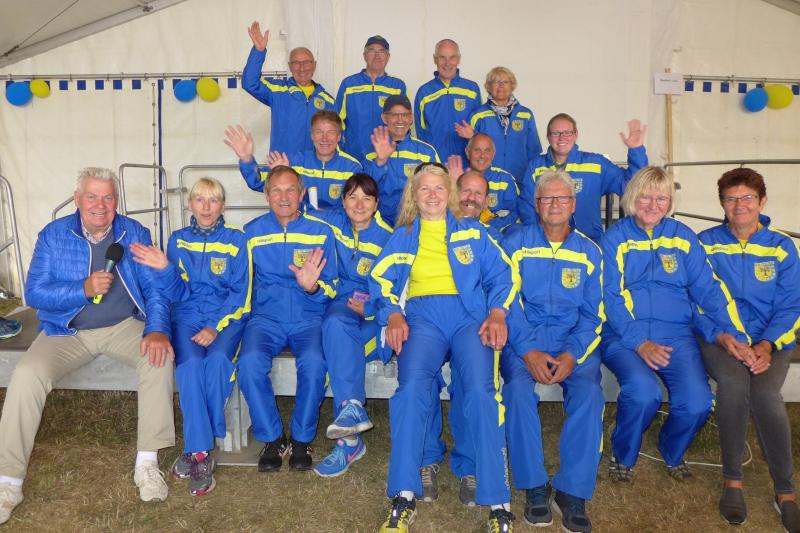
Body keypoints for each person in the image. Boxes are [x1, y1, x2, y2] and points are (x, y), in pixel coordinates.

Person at [0, 168, 175, 524]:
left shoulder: (134, 233)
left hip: (122, 325)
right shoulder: (53, 235)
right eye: (92, 196)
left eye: (108, 197)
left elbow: (155, 289)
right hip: (67, 329)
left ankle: (147, 463)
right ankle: (8, 481)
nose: (100, 205)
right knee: (27, 374)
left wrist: (157, 329)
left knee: (158, 359)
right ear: (78, 199)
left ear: (117, 201)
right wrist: (82, 289)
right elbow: (35, 293)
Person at [370, 164, 516, 532]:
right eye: (425, 188)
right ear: (413, 195)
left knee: (482, 392)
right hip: (424, 318)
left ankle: (498, 502)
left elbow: (505, 274)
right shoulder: (404, 235)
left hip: (470, 318)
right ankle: (404, 495)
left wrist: (497, 312)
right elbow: (380, 279)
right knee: (410, 391)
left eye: (439, 187)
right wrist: (392, 314)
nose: (433, 194)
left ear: (449, 193)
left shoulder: (472, 231)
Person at [601, 166, 751, 483]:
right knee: (643, 393)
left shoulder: (682, 237)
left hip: (676, 335)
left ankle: (671, 449)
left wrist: (734, 334)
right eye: (646, 196)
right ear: (632, 197)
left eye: (661, 198)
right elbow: (611, 298)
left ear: (670, 202)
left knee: (698, 403)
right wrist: (640, 342)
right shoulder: (615, 238)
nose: (653, 204)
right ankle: (623, 453)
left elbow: (708, 289)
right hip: (625, 335)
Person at [695, 168, 800, 531]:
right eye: (731, 198)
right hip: (721, 339)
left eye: (747, 198)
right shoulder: (705, 244)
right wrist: (722, 337)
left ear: (762, 201)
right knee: (734, 385)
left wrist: (768, 345)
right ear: (721, 203)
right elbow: (694, 300)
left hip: (771, 341)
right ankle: (733, 481)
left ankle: (785, 490)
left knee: (766, 394)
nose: (739, 205)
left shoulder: (781, 247)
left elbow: (792, 305)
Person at [130, 177, 249, 496]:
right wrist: (166, 268)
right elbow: (177, 292)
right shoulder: (178, 240)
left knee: (219, 361)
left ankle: (195, 448)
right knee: (189, 367)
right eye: (200, 199)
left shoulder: (237, 240)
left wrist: (215, 325)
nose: (206, 207)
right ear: (189, 204)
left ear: (223, 205)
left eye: (213, 200)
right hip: (186, 316)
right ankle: (201, 451)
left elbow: (241, 294)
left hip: (226, 318)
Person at [500, 170, 604, 533]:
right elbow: (506, 301)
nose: (555, 204)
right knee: (516, 391)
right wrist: (528, 351)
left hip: (571, 342)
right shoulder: (514, 243)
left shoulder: (590, 252)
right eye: (547, 198)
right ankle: (534, 485)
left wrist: (572, 354)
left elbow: (594, 314)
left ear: (573, 204)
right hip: (523, 340)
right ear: (536, 204)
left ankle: (572, 491)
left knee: (590, 393)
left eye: (562, 198)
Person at [237, 165, 337, 473]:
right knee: (249, 363)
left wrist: (313, 287)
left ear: (302, 193)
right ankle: (272, 438)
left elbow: (333, 284)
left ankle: (302, 439)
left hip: (309, 317)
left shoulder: (321, 232)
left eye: (291, 190)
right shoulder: (251, 232)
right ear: (266, 195)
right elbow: (242, 283)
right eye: (276, 191)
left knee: (315, 363)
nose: (284, 197)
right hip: (265, 318)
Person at [518, 112, 648, 242]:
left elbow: (633, 186)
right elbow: (527, 206)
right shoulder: (535, 166)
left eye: (567, 133)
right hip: (547, 243)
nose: (562, 138)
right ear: (548, 137)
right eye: (556, 133)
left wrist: (636, 150)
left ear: (576, 135)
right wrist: (537, 237)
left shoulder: (596, 164)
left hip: (589, 242)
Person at [225, 110, 362, 210]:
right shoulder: (295, 162)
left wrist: (323, 217)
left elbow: (357, 207)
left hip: (336, 233)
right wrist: (247, 159)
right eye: (319, 132)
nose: (324, 138)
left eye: (331, 133)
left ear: (339, 137)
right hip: (301, 231)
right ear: (312, 135)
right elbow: (258, 182)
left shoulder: (352, 168)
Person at [242, 20, 335, 155]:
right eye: (296, 63)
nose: (301, 68)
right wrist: (259, 51)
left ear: (314, 65)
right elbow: (250, 83)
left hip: (314, 166)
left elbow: (336, 137)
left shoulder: (328, 101)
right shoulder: (278, 91)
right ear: (290, 66)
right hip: (283, 164)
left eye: (306, 62)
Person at [455, 66, 541, 184]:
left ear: (512, 86)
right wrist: (472, 137)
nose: (501, 85)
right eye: (496, 82)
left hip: (520, 180)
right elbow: (469, 152)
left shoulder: (525, 115)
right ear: (488, 86)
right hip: (487, 180)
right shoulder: (478, 115)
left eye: (505, 82)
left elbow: (534, 151)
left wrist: (533, 180)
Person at [363, 94, 439, 225]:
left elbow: (438, 188)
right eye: (394, 115)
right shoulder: (371, 151)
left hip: (416, 224)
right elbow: (363, 190)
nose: (400, 120)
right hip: (380, 224)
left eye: (405, 115)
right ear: (384, 118)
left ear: (411, 118)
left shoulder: (426, 152)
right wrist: (380, 161)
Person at [336, 36, 407, 160]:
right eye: (372, 50)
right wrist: (342, 149)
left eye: (381, 51)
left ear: (388, 56)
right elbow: (336, 121)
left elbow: (404, 123)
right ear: (364, 55)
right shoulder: (349, 84)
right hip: (353, 156)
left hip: (386, 156)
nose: (377, 55)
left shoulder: (397, 87)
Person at [413, 39, 482, 162]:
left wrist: (472, 136)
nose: (447, 63)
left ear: (459, 59)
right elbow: (420, 134)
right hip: (435, 165)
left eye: (452, 57)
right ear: (435, 59)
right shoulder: (424, 92)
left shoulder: (472, 90)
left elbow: (479, 130)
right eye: (442, 57)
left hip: (466, 165)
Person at [447, 133, 519, 231]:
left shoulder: (505, 180)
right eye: (477, 150)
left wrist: (486, 227)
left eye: (487, 151)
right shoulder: (455, 176)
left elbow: (516, 214)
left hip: (497, 235)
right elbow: (445, 213)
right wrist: (455, 185)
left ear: (493, 154)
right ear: (467, 152)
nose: (482, 156)